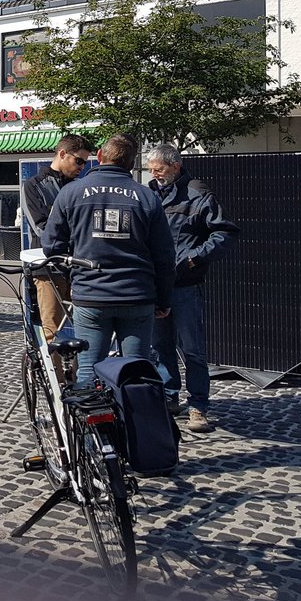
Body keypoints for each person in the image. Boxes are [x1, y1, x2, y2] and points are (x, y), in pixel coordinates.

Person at [42, 133, 175, 386]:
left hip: (91, 295)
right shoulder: (147, 197)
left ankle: (89, 412)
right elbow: (165, 256)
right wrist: (164, 298)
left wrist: (76, 275)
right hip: (136, 295)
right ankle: (133, 412)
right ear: (132, 164)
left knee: (88, 370)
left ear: (100, 156)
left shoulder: (71, 193)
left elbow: (52, 247)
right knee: (136, 373)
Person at [146, 144, 240, 434]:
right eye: (151, 170)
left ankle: (198, 405)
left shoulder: (198, 193)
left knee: (193, 349)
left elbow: (225, 232)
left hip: (185, 284)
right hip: (157, 284)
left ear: (175, 166)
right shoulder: (150, 194)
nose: (154, 174)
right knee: (161, 346)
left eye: (159, 169)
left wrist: (193, 258)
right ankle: (169, 395)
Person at [21, 134, 95, 380]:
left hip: (79, 266)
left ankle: (81, 379)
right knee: (51, 328)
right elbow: (42, 228)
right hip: (48, 267)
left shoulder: (81, 186)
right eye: (78, 161)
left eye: (85, 162)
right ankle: (58, 385)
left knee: (87, 326)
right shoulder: (34, 185)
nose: (81, 167)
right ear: (62, 154)